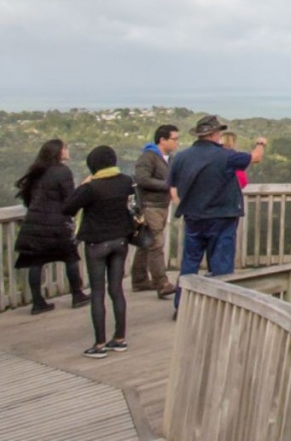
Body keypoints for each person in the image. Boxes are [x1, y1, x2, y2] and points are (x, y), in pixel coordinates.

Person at [168, 115, 266, 310]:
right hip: (222, 217)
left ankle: (182, 305)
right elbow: (256, 157)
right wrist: (260, 143)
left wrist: (183, 204)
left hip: (194, 217)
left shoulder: (181, 157)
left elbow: (173, 187)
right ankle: (220, 307)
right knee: (221, 264)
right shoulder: (226, 156)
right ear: (214, 134)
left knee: (190, 263)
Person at [62, 146, 134, 358]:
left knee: (98, 292)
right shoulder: (125, 181)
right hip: (120, 240)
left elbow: (67, 208)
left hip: (96, 243)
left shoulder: (91, 188)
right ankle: (120, 338)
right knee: (116, 289)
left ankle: (100, 344)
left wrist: (83, 184)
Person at [13, 139, 89, 315]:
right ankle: (77, 295)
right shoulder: (62, 172)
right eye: (65, 148)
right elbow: (69, 199)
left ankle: (38, 302)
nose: (67, 151)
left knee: (36, 261)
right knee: (70, 257)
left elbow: (29, 198)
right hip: (56, 223)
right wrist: (84, 187)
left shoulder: (37, 172)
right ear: (59, 152)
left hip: (34, 223)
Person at [132, 124, 179, 297]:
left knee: (147, 242)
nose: (177, 142)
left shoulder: (169, 159)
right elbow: (142, 179)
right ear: (162, 140)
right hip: (150, 205)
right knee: (156, 243)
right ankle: (162, 283)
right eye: (174, 139)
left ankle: (139, 279)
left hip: (161, 205)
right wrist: (167, 185)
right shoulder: (148, 157)